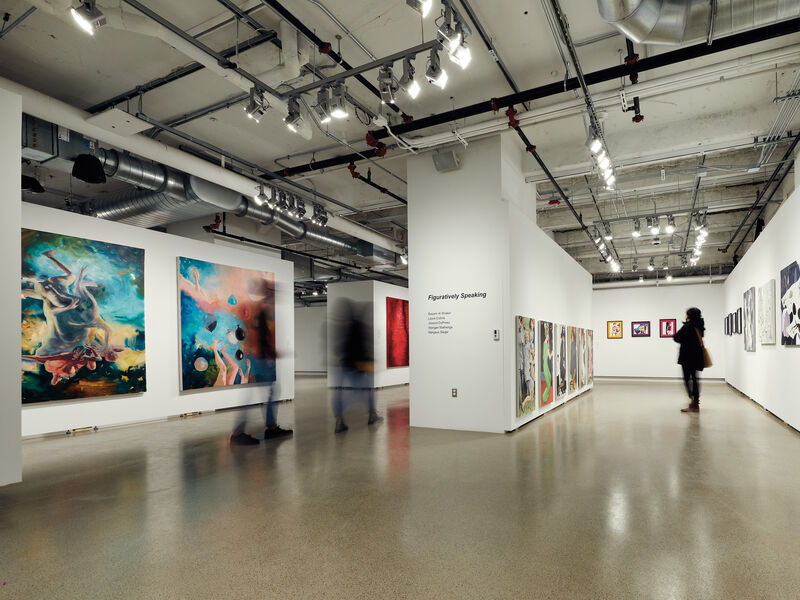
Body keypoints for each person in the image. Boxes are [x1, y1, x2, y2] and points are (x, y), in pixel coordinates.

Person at [230, 306, 292, 445]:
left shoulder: (260, 312)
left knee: (270, 391)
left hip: (261, 359)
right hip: (261, 360)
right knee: (262, 393)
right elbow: (258, 339)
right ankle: (240, 433)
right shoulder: (259, 311)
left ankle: (269, 427)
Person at [332, 299, 383, 433]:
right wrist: (368, 361)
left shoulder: (343, 326)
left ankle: (339, 420)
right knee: (363, 391)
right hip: (357, 366)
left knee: (340, 393)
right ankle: (372, 415)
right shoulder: (359, 326)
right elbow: (362, 347)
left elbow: (337, 348)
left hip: (344, 364)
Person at [673, 307, 705, 413]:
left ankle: (693, 402)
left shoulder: (688, 326)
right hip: (697, 357)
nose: (685, 316)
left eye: (687, 315)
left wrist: (686, 324)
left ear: (690, 316)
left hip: (687, 357)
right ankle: (695, 403)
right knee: (695, 379)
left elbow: (676, 337)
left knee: (687, 379)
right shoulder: (700, 326)